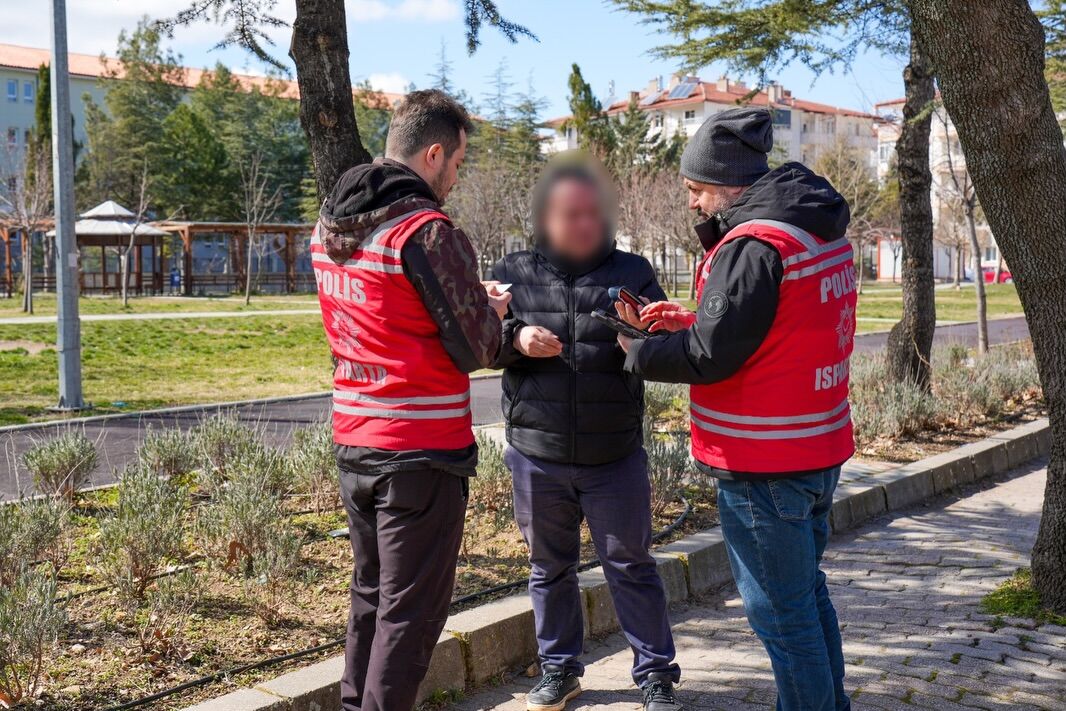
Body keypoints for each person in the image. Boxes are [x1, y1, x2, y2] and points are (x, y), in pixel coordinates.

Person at [616, 107, 856, 711]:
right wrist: (694, 318)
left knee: (781, 616)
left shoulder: (752, 245)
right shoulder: (811, 226)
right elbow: (776, 328)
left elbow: (710, 358)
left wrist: (640, 351)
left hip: (763, 463)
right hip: (816, 448)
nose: (694, 203)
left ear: (728, 184)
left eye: (696, 189)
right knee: (804, 596)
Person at [312, 89, 511, 711]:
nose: (455, 176)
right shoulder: (426, 231)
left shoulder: (330, 225)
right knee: (411, 614)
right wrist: (491, 311)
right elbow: (477, 346)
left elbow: (383, 311)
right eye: (456, 163)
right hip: (419, 450)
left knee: (371, 598)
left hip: (355, 437)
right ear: (432, 153)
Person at [491, 156, 683, 711]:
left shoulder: (634, 270)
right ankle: (559, 669)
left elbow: (661, 346)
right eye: (570, 215)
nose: (583, 225)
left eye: (591, 214)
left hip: (614, 452)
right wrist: (516, 337)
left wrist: (641, 344)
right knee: (549, 568)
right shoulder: (514, 271)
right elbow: (482, 339)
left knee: (632, 565)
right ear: (545, 218)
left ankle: (655, 676)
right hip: (537, 452)